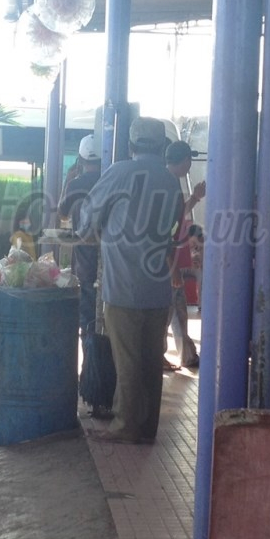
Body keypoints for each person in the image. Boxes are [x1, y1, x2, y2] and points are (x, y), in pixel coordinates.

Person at [75, 117, 183, 443]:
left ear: (131, 145)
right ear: (162, 146)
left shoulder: (120, 172)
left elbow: (88, 218)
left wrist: (93, 231)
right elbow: (173, 226)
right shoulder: (170, 181)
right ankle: (146, 428)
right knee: (151, 363)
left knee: (127, 362)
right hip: (158, 288)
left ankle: (125, 426)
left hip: (123, 285)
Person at [164, 139, 206, 370]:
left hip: (170, 257)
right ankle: (178, 354)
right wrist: (172, 267)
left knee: (175, 306)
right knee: (170, 307)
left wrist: (195, 197)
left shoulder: (169, 180)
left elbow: (179, 215)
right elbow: (167, 229)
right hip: (169, 258)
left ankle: (187, 354)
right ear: (186, 160)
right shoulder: (168, 183)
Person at [59, 134, 103, 339]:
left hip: (85, 259)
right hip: (112, 260)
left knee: (87, 315)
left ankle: (89, 354)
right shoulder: (110, 180)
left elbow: (62, 214)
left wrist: (68, 180)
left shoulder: (75, 184)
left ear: (81, 160)